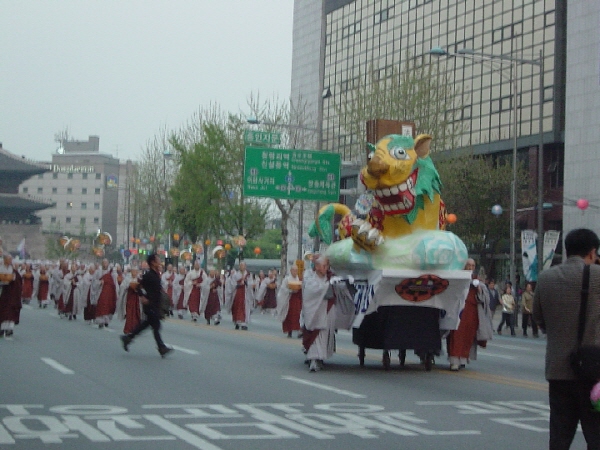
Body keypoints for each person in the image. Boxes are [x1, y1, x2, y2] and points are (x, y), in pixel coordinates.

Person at [533, 228, 600, 449]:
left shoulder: (546, 278)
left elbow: (538, 319)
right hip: (595, 374)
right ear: (592, 252)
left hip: (559, 371)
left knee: (560, 438)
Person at [120, 254, 172, 357]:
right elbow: (138, 286)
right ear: (153, 262)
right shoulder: (149, 275)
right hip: (150, 304)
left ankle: (128, 338)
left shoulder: (156, 274)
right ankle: (161, 347)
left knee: (147, 324)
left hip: (155, 304)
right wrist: (142, 296)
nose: (159, 261)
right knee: (155, 326)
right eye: (158, 260)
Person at [446, 258, 493, 371]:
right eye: (468, 265)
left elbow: (485, 299)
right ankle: (454, 360)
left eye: (472, 266)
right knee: (456, 335)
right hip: (459, 312)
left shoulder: (477, 281)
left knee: (468, 336)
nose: (470, 268)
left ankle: (463, 358)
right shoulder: (457, 278)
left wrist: (479, 290)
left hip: (472, 313)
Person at [301, 255, 337, 372]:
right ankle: (313, 359)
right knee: (315, 335)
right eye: (324, 265)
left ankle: (320, 358)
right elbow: (310, 293)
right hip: (315, 312)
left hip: (327, 310)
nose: (326, 268)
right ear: (316, 267)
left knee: (325, 334)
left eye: (327, 265)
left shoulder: (331, 277)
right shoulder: (311, 279)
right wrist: (327, 286)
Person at [224, 262, 254, 330]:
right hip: (237, 293)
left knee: (245, 307)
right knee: (237, 307)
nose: (242, 267)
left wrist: (246, 282)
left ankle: (244, 322)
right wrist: (238, 284)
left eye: (243, 265)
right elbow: (232, 283)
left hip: (245, 293)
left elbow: (251, 283)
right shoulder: (235, 275)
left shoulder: (248, 275)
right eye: (240, 266)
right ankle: (237, 321)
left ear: (245, 266)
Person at [276, 264, 303, 338]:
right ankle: (289, 331)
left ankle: (299, 330)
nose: (295, 272)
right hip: (289, 299)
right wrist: (290, 290)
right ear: (291, 271)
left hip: (296, 299)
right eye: (293, 270)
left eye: (296, 270)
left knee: (297, 315)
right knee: (289, 315)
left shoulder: (299, 279)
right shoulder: (287, 279)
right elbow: (283, 289)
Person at [0, 254, 22, 339]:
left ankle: (9, 328)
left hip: (10, 293)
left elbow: (18, 282)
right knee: (2, 309)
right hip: (2, 291)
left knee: (10, 310)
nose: (10, 261)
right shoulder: (1, 268)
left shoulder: (13, 270)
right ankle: (2, 328)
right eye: (8, 259)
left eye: (11, 259)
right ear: (4, 260)